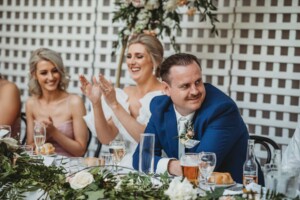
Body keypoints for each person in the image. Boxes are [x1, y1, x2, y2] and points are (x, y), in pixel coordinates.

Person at [132, 53, 264, 184]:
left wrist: (175, 167)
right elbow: (140, 158)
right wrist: (174, 166)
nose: (195, 91)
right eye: (185, 86)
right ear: (167, 88)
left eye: (198, 82)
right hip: (188, 189)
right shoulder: (160, 108)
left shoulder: (222, 110)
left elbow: (202, 167)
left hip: (236, 191)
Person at [80, 33, 164, 167]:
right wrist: (96, 104)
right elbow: (106, 138)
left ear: (156, 61)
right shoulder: (124, 94)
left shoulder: (165, 94)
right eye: (129, 56)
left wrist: (114, 105)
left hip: (155, 167)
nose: (131, 62)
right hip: (124, 166)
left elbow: (148, 142)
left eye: (139, 56)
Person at [26, 48, 88, 157]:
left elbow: (81, 151)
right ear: (34, 74)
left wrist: (54, 132)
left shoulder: (74, 102)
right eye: (44, 73)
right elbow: (30, 148)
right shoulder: (31, 104)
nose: (51, 77)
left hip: (70, 167)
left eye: (55, 71)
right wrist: (43, 134)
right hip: (40, 167)